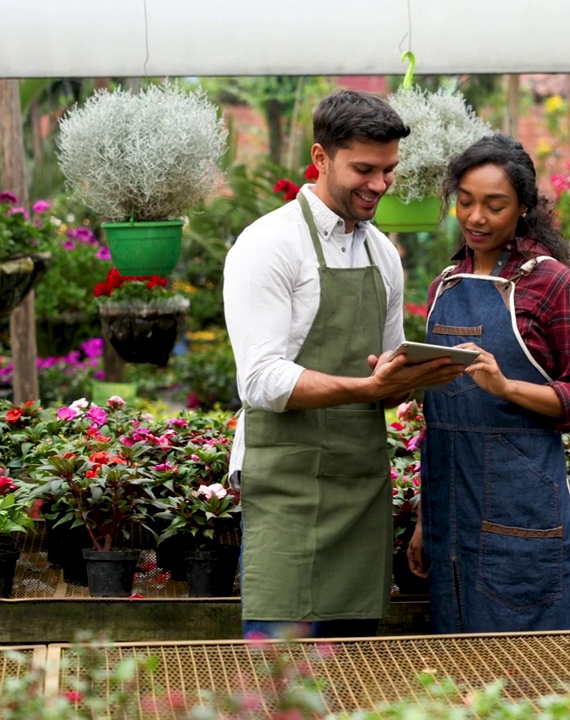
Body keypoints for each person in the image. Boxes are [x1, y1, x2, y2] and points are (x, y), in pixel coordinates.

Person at [222, 90, 463, 639]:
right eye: (363, 169)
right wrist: (366, 387)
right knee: (280, 678)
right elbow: (260, 380)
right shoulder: (268, 246)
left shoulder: (383, 254)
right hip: (287, 487)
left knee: (356, 676)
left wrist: (412, 379)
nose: (379, 185)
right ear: (321, 158)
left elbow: (384, 372)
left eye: (389, 170)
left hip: (358, 486)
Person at [406, 133, 570, 633]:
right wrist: (425, 518)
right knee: (458, 670)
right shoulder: (445, 282)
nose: (476, 218)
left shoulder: (554, 285)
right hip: (449, 501)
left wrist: (506, 387)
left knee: (528, 667)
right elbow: (437, 417)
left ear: (522, 209)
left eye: (494, 206)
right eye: (466, 202)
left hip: (521, 501)